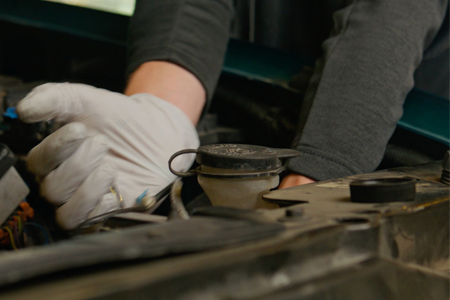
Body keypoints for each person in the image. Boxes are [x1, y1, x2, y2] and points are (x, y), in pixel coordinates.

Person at [16, 0, 449, 230]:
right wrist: (159, 112)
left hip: (400, 129)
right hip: (241, 96)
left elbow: (393, 14)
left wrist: (308, 194)